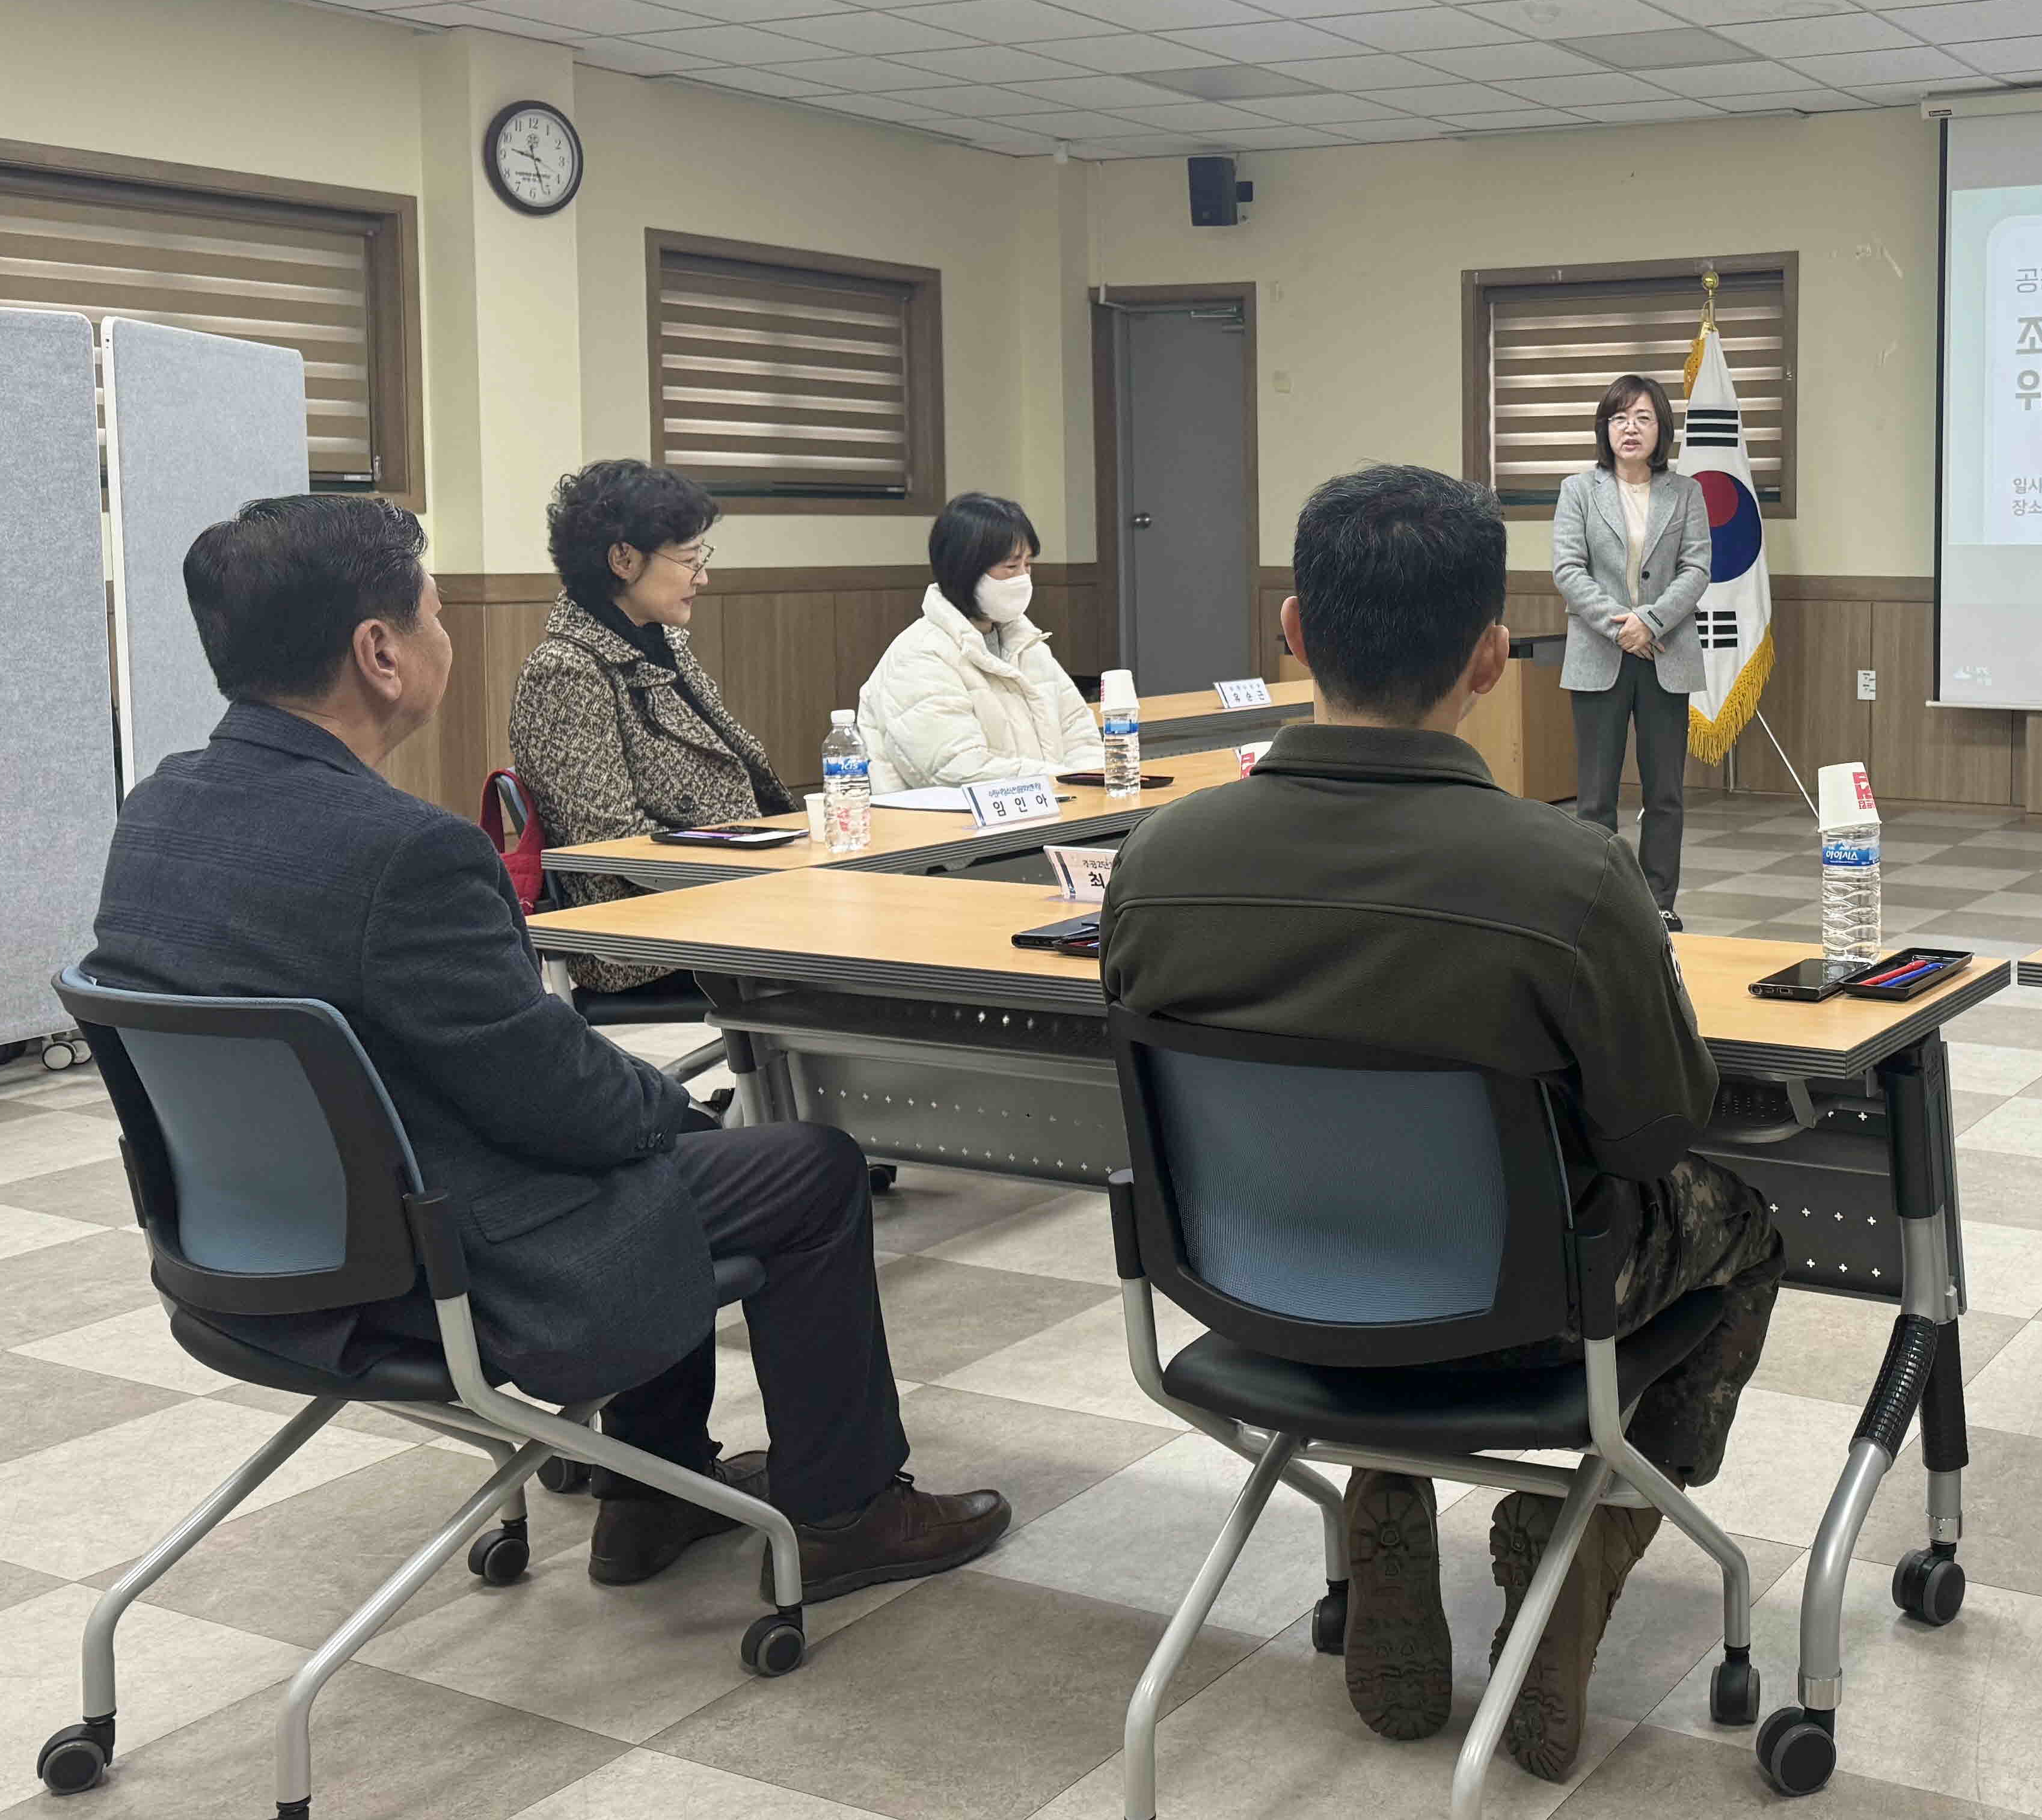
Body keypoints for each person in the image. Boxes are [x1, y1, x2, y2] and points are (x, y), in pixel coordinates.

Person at [85, 494, 1010, 1602]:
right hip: (430, 1260)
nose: (446, 632)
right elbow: (562, 1103)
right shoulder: (409, 855)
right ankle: (848, 1509)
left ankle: (656, 1486)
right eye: (434, 611)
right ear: (379, 653)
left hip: (247, 1250)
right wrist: (677, 1116)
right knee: (800, 1163)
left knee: (651, 1143)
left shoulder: (157, 812)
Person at [1103, 463, 1780, 1784]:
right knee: (1743, 1226)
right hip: (1510, 1300)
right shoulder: (1573, 874)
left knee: (1357, 1203)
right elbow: (1650, 1135)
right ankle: (1579, 1526)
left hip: (1252, 1285)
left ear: (1293, 629)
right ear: (1489, 658)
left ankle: (1379, 1511)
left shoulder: (1157, 861)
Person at [509, 459, 790, 1005]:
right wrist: (749, 877)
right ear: (623, 559)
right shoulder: (566, 671)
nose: (702, 577)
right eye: (689, 560)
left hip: (729, 896)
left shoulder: (660, 644)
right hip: (644, 938)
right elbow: (613, 847)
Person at [1550, 374, 1712, 925]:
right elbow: (1568, 569)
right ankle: (1601, 905)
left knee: (1664, 791)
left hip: (1666, 656)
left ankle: (1659, 905)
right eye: (1619, 418)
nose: (1630, 428)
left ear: (1661, 427)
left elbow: (1697, 569)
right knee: (1596, 795)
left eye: (1643, 417)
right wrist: (1620, 627)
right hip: (1600, 655)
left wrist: (1650, 621)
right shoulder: (1579, 489)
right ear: (1605, 427)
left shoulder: (1685, 492)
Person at [859, 491, 1097, 788]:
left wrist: (1086, 788)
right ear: (965, 570)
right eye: (1011, 567)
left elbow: (1081, 736)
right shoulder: (920, 655)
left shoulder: (1028, 645)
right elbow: (956, 768)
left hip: (1047, 814)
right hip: (953, 827)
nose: (1023, 578)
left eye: (1028, 565)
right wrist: (1059, 782)